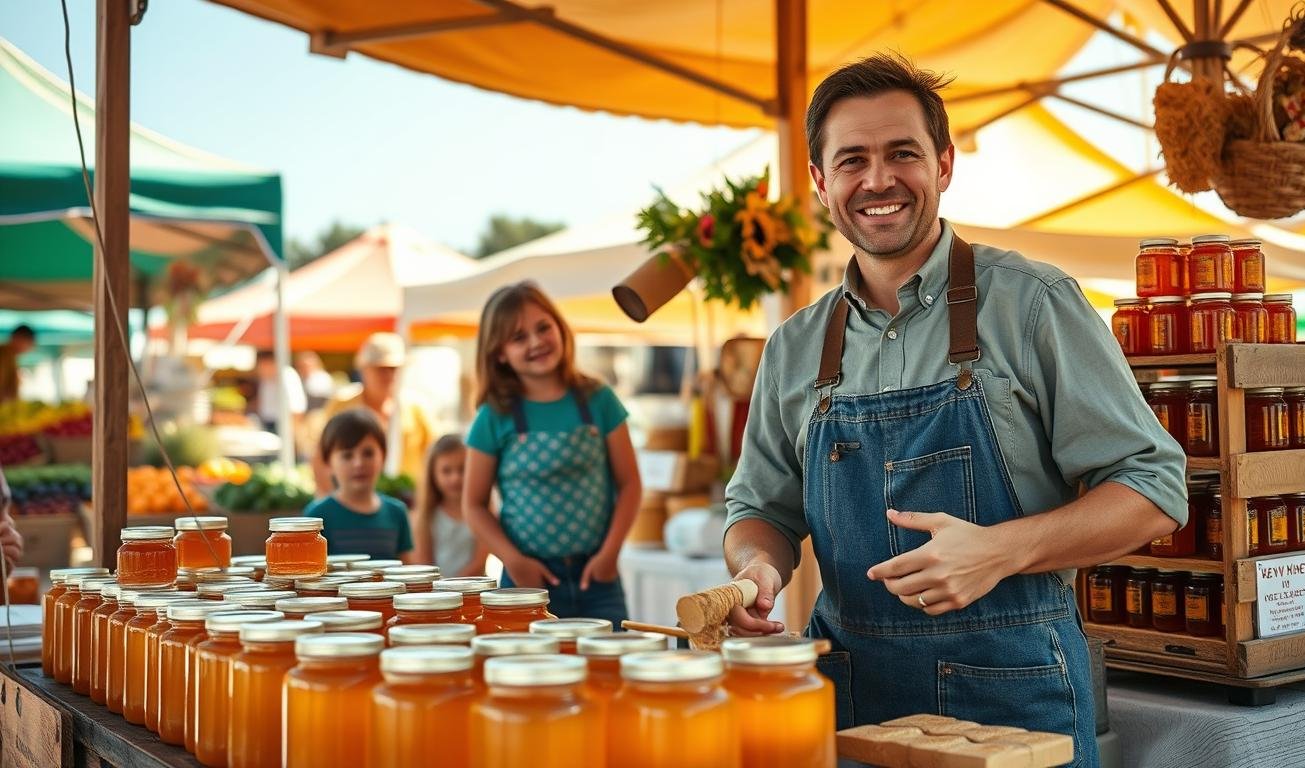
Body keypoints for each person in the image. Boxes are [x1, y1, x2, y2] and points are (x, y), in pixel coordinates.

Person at [722, 53, 1185, 767]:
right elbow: (762, 509)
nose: (877, 180)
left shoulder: (1032, 303)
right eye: (852, 161)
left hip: (1015, 700)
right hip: (848, 702)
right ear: (820, 181)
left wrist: (1002, 551)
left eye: (901, 153)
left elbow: (1155, 489)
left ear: (943, 164)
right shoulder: (794, 346)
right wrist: (757, 569)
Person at [463, 282, 640, 626]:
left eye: (543, 327)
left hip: (599, 578)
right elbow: (473, 505)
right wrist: (514, 561)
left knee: (607, 674)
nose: (536, 341)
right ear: (499, 353)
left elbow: (631, 484)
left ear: (560, 328)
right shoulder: (493, 416)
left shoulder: (598, 398)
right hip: (527, 582)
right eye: (518, 337)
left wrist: (610, 554)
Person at [312, 333, 434, 496]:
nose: (389, 375)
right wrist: (331, 500)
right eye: (381, 369)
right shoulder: (342, 404)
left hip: (408, 500)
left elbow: (434, 456)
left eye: (393, 369)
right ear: (364, 369)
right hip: (351, 499)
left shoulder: (417, 408)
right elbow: (321, 456)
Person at [303, 409, 413, 561]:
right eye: (347, 455)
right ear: (328, 462)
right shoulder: (317, 516)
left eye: (368, 453)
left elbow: (406, 567)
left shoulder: (397, 513)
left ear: (383, 456)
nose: (359, 463)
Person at [411, 435, 488, 576]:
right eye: (446, 471)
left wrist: (453, 587)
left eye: (462, 469)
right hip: (436, 593)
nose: (455, 478)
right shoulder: (425, 517)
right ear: (433, 475)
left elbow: (479, 561)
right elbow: (423, 562)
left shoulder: (482, 513)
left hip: (474, 590)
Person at [253, 350, 307, 435]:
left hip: (284, 424)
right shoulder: (266, 380)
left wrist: (291, 431)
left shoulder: (287, 375)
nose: (259, 369)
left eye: (262, 366)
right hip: (268, 422)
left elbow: (297, 406)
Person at [0, 325, 35, 403]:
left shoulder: (10, 357)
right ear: (17, 338)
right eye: (29, 343)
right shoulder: (3, 355)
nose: (29, 348)